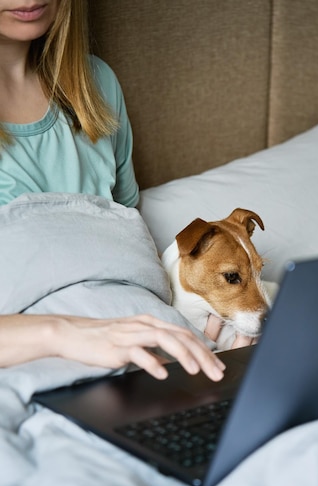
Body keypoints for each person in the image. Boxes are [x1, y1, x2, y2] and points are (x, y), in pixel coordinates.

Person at [0, 0, 227, 380]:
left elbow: (123, 260)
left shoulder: (95, 85)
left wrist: (195, 328)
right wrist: (64, 333)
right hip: (34, 369)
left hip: (152, 357)